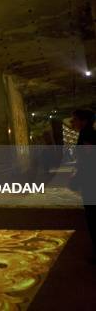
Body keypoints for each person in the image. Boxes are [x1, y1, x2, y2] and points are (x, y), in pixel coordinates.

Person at [70, 109, 96, 262]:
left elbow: (89, 161)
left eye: (75, 119)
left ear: (84, 121)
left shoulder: (87, 135)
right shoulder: (88, 134)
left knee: (93, 216)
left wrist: (78, 179)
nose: (73, 123)